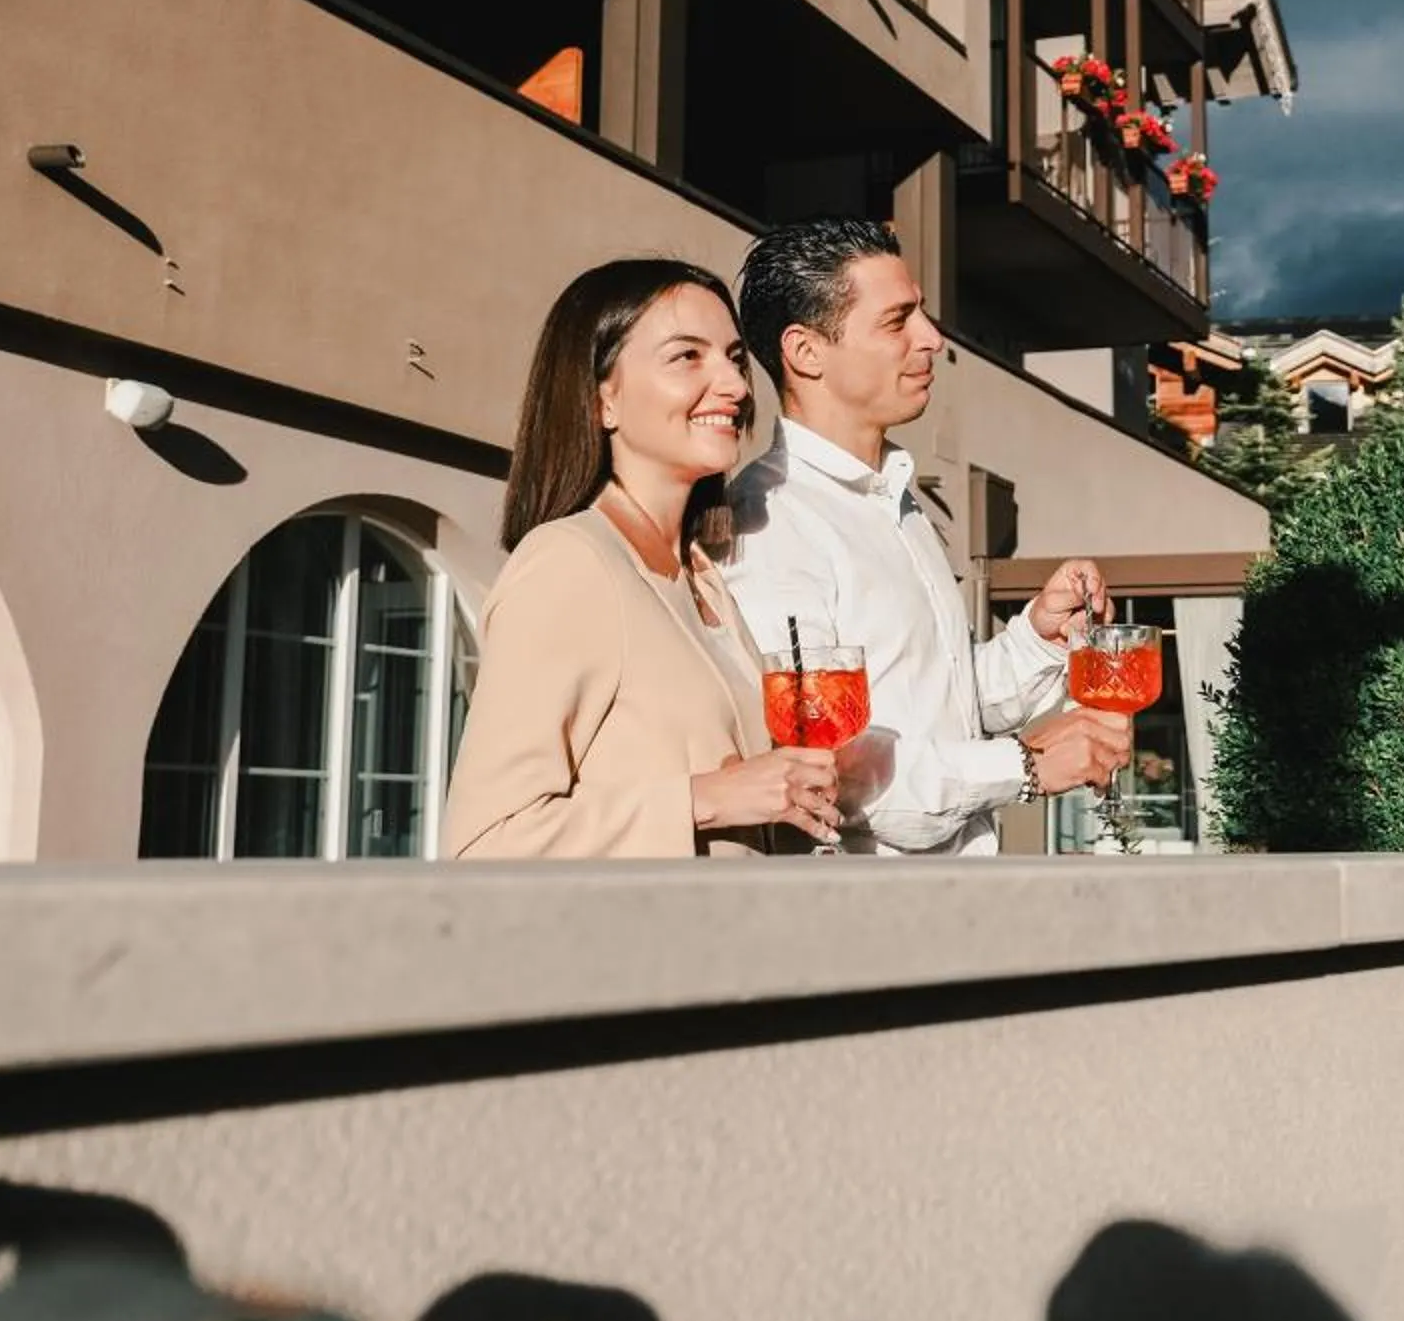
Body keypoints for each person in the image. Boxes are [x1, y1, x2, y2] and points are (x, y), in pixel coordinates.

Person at [721, 219, 1131, 855]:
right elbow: (840, 775)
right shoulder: (772, 519)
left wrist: (1036, 637)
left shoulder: (893, 495)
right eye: (897, 321)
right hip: (877, 928)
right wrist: (1025, 765)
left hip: (955, 905)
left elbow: (946, 707)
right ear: (806, 353)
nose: (932, 339)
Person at [443, 259, 841, 857]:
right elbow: (483, 843)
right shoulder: (569, 563)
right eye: (687, 356)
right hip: (640, 948)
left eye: (734, 358)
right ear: (603, 398)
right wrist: (702, 798)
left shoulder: (702, 575)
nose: (735, 385)